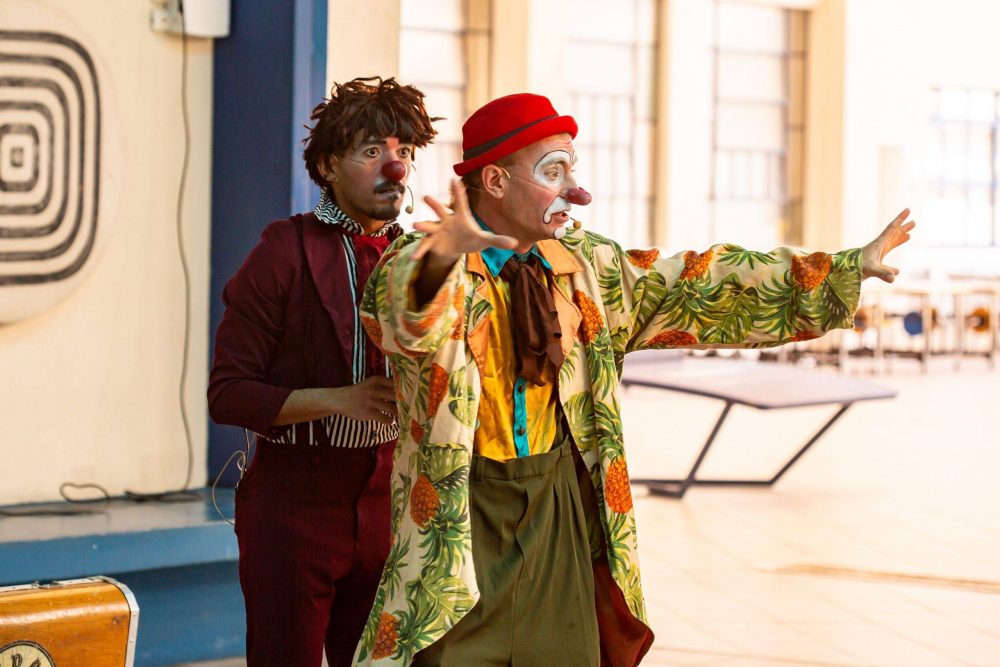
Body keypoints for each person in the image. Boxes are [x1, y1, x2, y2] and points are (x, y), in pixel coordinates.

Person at [355, 93, 914, 666]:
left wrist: (841, 270)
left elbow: (698, 284)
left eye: (573, 169)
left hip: (558, 513)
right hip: (460, 522)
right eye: (554, 171)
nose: (576, 191)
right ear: (495, 181)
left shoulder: (588, 266)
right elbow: (401, 317)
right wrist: (443, 257)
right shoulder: (427, 259)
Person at [207, 76, 441, 667]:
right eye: (372, 151)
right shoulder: (283, 250)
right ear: (329, 166)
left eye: (403, 152)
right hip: (293, 510)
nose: (394, 168)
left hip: (388, 505)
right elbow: (228, 395)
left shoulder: (416, 259)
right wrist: (340, 399)